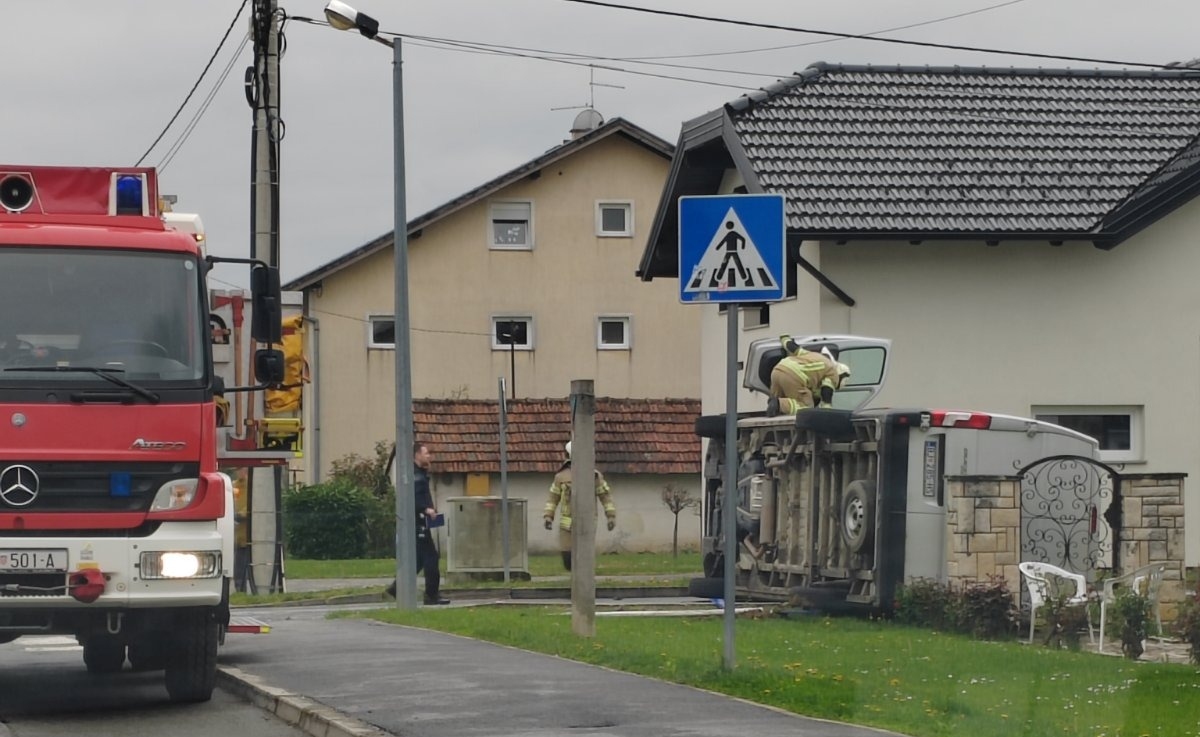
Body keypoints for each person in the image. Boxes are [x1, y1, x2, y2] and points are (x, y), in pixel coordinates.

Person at [385, 442, 449, 605]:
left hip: (417, 523)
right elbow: (413, 499)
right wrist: (426, 509)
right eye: (426, 453)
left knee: (418, 561)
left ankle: (396, 588)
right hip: (419, 523)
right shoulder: (416, 477)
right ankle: (431, 595)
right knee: (431, 558)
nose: (429, 456)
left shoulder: (418, 474)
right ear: (417, 456)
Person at [543, 441, 617, 571]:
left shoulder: (594, 476)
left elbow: (605, 496)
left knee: (585, 554)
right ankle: (574, 576)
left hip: (587, 521)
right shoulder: (560, 477)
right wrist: (548, 516)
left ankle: (584, 578)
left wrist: (610, 516)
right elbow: (553, 498)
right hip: (567, 524)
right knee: (567, 555)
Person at [767, 336, 851, 416]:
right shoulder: (833, 372)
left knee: (775, 402)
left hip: (778, 369)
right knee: (807, 407)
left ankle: (775, 404)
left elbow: (793, 348)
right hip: (794, 375)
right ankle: (779, 404)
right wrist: (827, 411)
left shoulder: (815, 355)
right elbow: (826, 391)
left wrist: (784, 338)